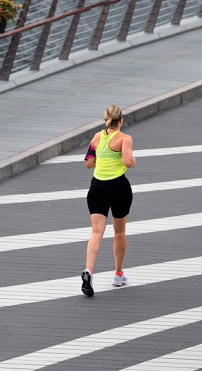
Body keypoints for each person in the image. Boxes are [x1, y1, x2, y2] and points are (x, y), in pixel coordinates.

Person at [81, 105, 136, 296]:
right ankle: (118, 274)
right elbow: (128, 162)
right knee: (119, 232)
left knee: (96, 232)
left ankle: (88, 269)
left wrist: (103, 159)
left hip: (97, 188)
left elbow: (88, 162)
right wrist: (130, 160)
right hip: (118, 188)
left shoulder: (97, 137)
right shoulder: (124, 139)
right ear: (121, 120)